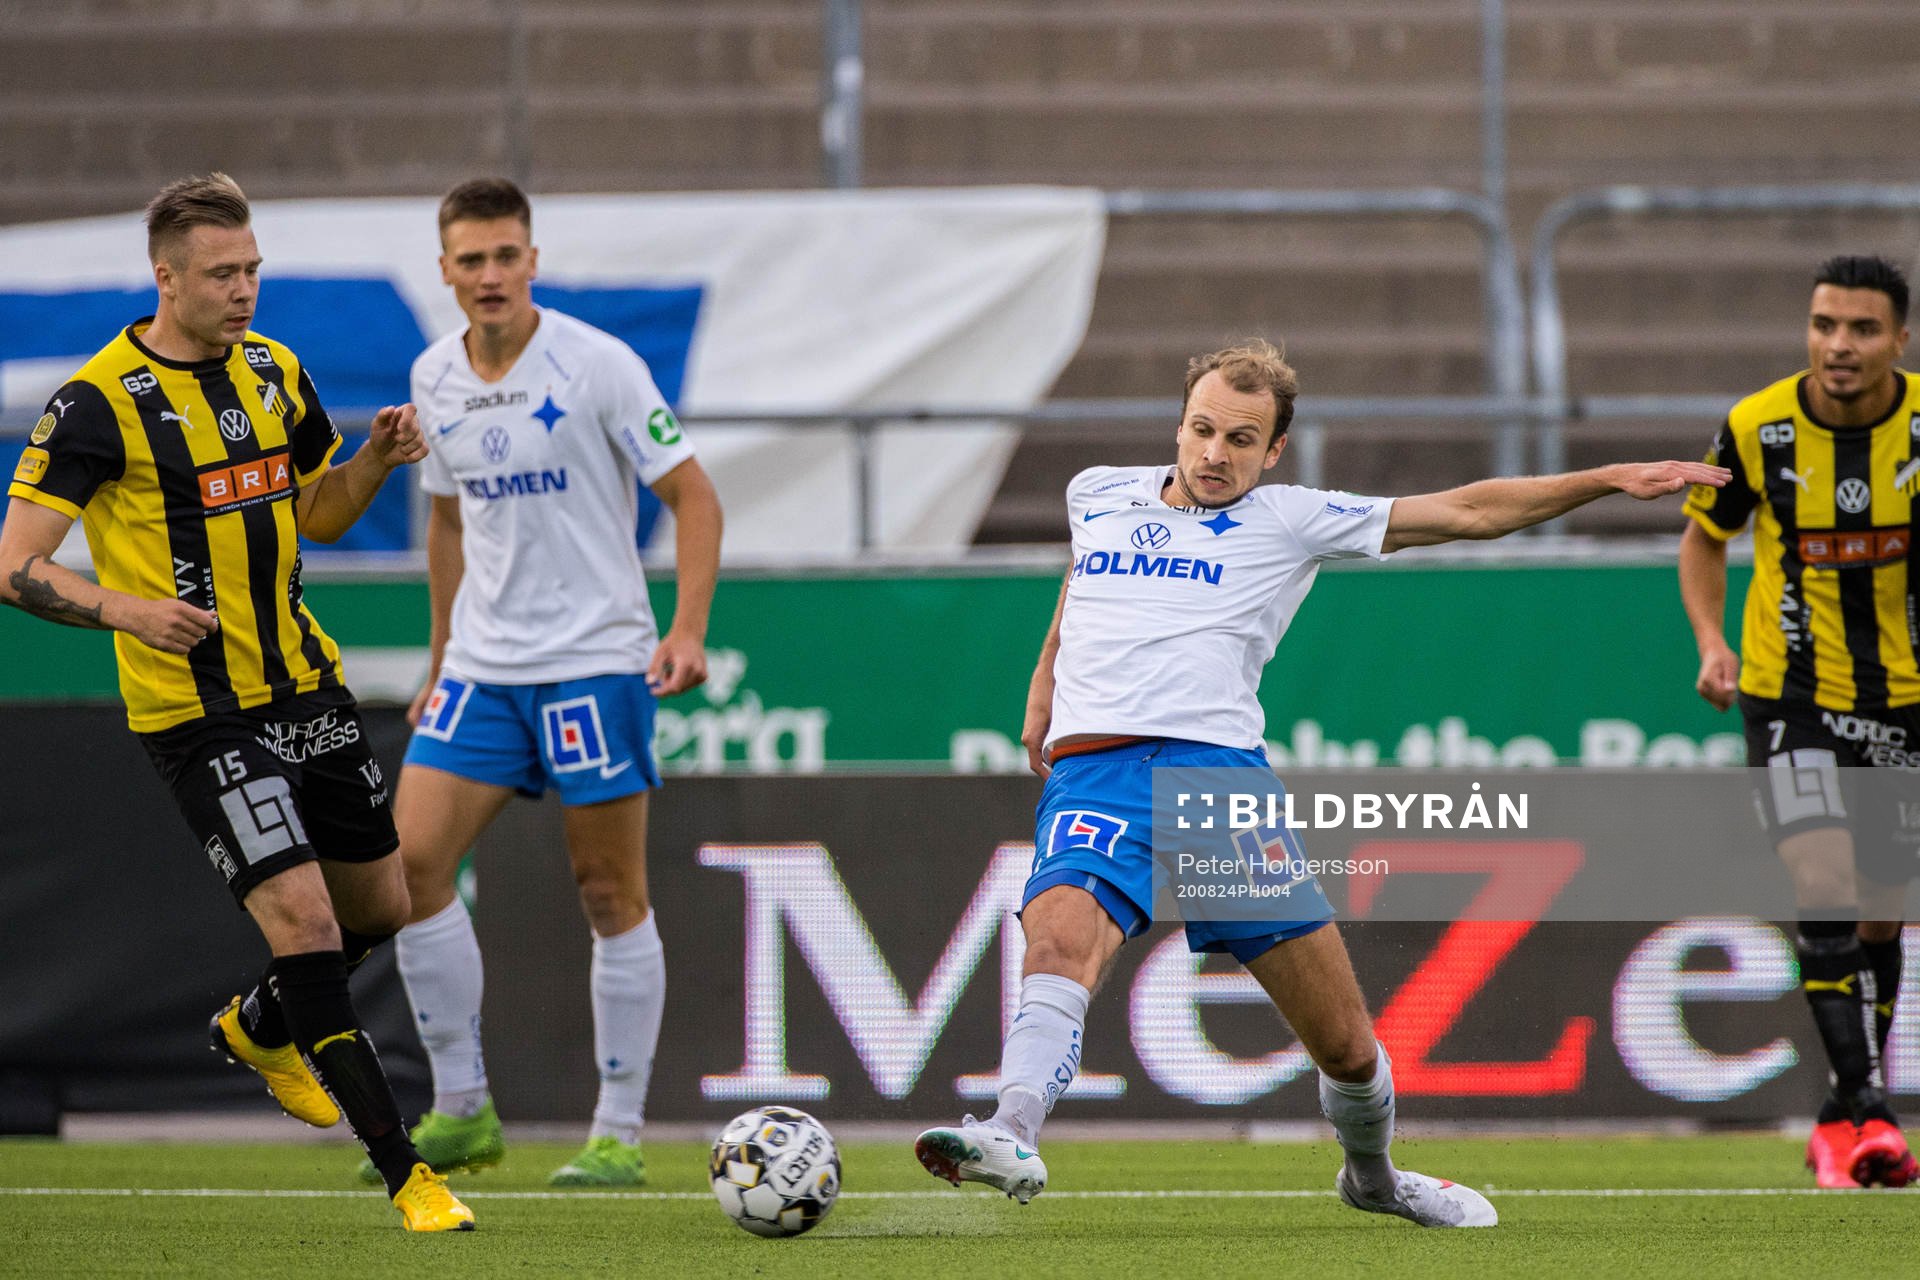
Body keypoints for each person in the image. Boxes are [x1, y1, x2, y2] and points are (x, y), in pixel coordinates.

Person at [913, 338, 1728, 1227]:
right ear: (1179, 426)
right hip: (1098, 774)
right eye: (1202, 430)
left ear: (1273, 453)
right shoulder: (1098, 491)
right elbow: (1082, 582)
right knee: (1058, 940)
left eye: (1241, 440)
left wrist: (1605, 477)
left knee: (1342, 1043)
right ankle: (1010, 1129)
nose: (1215, 453)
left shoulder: (1292, 518)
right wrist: (1044, 686)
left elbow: (1466, 511)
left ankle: (1373, 1180)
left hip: (1218, 786)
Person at [0, 173, 472, 1232]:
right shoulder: (95, 403)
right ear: (165, 279)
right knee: (304, 920)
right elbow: (15, 563)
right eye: (222, 274)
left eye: (253, 268)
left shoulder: (273, 370)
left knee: (380, 908)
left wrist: (374, 461)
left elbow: (323, 514)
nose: (245, 290)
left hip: (306, 684)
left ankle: (262, 1024)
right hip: (196, 713)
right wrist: (128, 608)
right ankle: (406, 1171)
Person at [361, 177, 722, 1189]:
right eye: (469, 259)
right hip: (483, 664)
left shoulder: (596, 363)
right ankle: (464, 1108)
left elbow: (693, 495)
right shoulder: (433, 375)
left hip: (594, 657)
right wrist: (440, 660)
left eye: (505, 256)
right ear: (444, 269)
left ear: (532, 259)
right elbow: (444, 519)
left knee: (610, 889)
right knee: (407, 870)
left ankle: (618, 1130)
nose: (488, 275)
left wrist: (686, 629)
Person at [1680, 254, 1920, 1189]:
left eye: (1862, 329)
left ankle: (1839, 1115)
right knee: (1819, 871)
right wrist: (1711, 640)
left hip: (1902, 697)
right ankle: (1869, 1113)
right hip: (1792, 693)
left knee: (1879, 910)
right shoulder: (1758, 426)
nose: (1839, 345)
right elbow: (1705, 536)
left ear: (1899, 339)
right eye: (1825, 324)